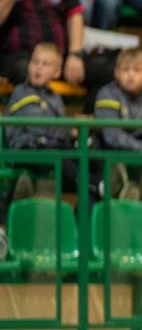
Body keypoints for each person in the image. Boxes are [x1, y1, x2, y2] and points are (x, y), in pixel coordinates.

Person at [0, 44, 78, 242]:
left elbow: (56, 131)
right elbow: (40, 127)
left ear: (57, 71)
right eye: (35, 62)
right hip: (25, 150)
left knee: (83, 148)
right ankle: (96, 185)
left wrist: (66, 133)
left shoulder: (56, 98)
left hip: (48, 148)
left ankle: (99, 183)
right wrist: (67, 131)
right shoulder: (21, 92)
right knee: (61, 154)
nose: (38, 68)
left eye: (45, 64)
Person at [93, 47, 142, 201]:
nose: (131, 75)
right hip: (109, 157)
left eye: (136, 70)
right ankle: (115, 188)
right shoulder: (107, 94)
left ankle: (130, 193)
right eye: (125, 70)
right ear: (116, 73)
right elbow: (114, 136)